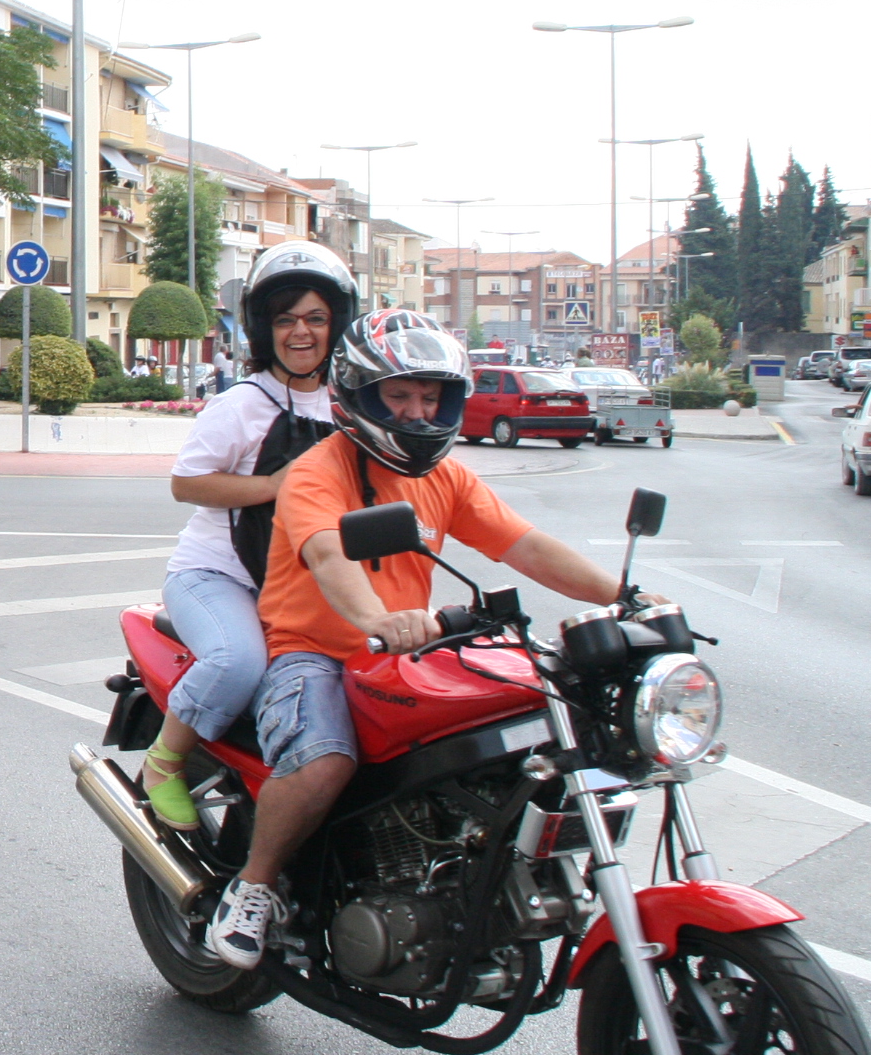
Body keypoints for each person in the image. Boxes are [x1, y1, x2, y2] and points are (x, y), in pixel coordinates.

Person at [206, 310, 622, 969]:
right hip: (314, 652)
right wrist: (376, 619)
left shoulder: (446, 478)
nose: (418, 411)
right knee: (324, 761)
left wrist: (623, 597)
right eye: (399, 396)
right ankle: (253, 887)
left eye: (430, 397)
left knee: (521, 729)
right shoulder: (319, 471)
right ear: (359, 397)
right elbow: (328, 554)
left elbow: (528, 547)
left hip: (407, 657)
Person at [137, 242, 356, 830]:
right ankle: (164, 760)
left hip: (303, 584)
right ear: (265, 329)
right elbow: (187, 483)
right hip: (217, 575)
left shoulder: (348, 406)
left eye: (316, 318)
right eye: (286, 319)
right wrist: (274, 485)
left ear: (337, 324)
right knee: (238, 662)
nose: (301, 332)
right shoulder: (242, 403)